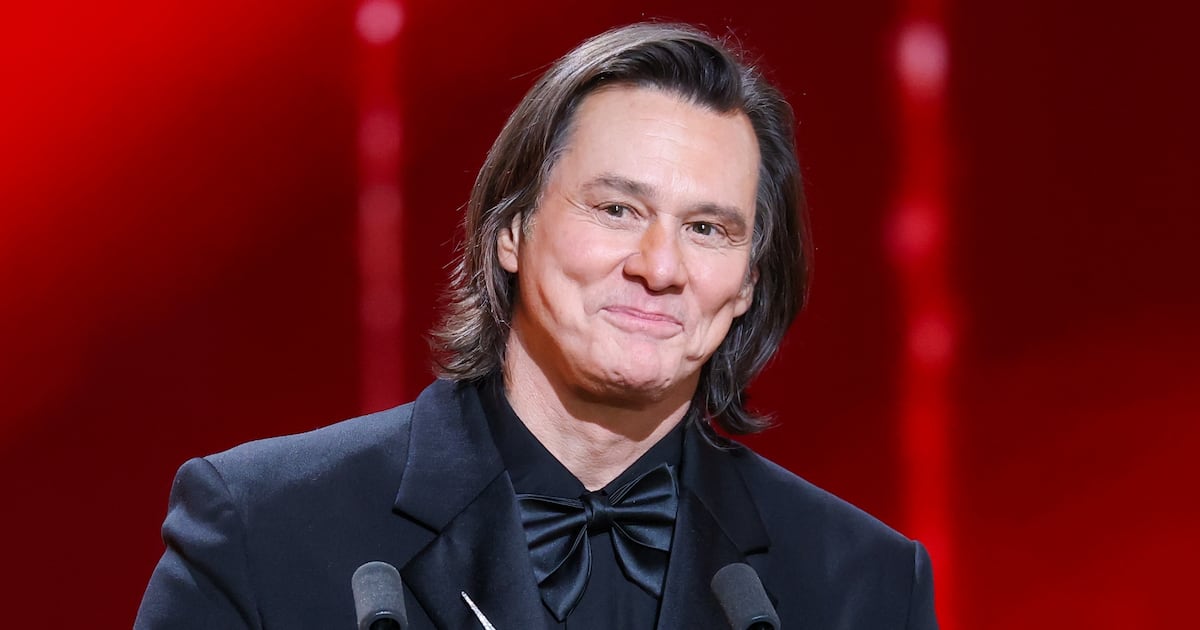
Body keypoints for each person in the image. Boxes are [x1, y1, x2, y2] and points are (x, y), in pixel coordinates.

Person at [136, 22, 938, 629]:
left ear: (748, 285)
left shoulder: (866, 585)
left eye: (707, 229)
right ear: (510, 232)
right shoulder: (264, 528)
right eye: (617, 209)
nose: (660, 267)